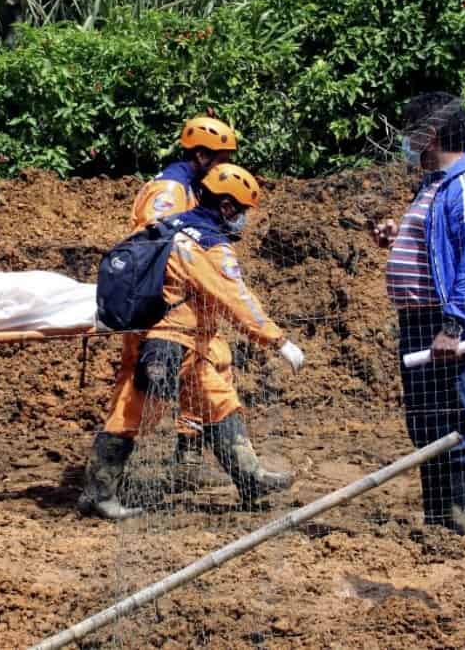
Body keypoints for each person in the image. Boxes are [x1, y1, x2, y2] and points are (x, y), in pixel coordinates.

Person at [80, 164, 306, 520]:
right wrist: (277, 341)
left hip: (177, 341)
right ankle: (98, 494)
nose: (243, 220)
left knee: (218, 402)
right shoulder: (210, 245)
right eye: (242, 211)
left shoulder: (171, 226)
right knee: (132, 411)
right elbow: (234, 297)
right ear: (228, 207)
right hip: (169, 341)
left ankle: (250, 479)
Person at [373, 92, 465, 534]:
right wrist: (401, 233)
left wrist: (455, 324)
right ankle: (439, 523)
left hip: (450, 324)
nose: (404, 143)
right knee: (428, 424)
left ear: (428, 135)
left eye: (408, 133)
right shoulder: (437, 182)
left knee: (459, 420)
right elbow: (441, 242)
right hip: (421, 322)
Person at [126, 117, 247, 491]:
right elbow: (161, 245)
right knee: (138, 400)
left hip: (189, 314)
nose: (225, 167)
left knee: (213, 373)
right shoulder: (171, 190)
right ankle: (106, 477)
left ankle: (197, 459)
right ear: (200, 154)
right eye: (221, 158)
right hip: (164, 313)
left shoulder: (192, 189)